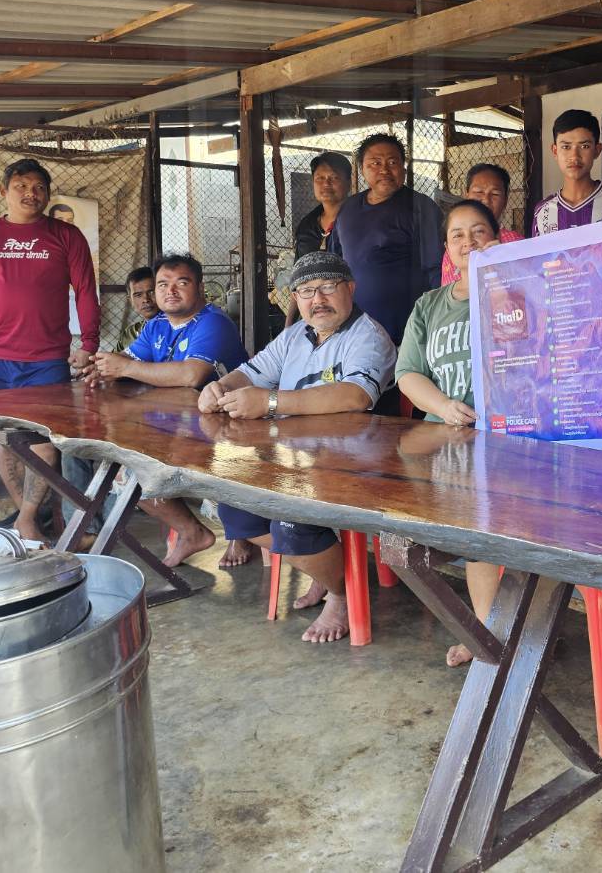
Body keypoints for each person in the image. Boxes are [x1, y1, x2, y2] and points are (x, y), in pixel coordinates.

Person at [198, 250, 397, 643]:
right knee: (235, 508)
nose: (317, 299)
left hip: (355, 464)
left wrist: (270, 402)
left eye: (327, 287)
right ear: (295, 298)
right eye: (306, 291)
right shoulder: (294, 336)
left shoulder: (368, 336)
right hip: (295, 461)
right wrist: (218, 388)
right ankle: (320, 567)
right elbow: (251, 373)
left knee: (292, 520)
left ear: (350, 288)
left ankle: (341, 593)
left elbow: (356, 396)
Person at [0, 158, 100, 543]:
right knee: (6, 439)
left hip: (47, 359)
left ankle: (27, 518)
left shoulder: (67, 236)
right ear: (4, 191)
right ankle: (27, 521)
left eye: (39, 188)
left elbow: (85, 291)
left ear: (47, 194)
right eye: (21, 186)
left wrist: (89, 343)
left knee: (43, 443)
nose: (31, 194)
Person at [86, 253, 249, 567]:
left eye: (181, 283)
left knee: (202, 476)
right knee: (130, 473)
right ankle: (191, 532)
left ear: (199, 287)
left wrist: (125, 368)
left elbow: (192, 375)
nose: (170, 291)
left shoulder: (213, 322)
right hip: (177, 426)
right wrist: (102, 367)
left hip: (226, 429)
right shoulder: (157, 325)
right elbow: (129, 360)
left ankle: (239, 532)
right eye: (162, 284)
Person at [397, 200, 504, 666]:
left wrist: (503, 278)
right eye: (458, 234)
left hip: (509, 442)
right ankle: (487, 632)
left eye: (479, 231)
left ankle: (506, 633)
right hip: (447, 444)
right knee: (462, 540)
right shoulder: (430, 305)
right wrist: (442, 407)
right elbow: (408, 373)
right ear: (447, 247)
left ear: (496, 237)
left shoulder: (518, 288)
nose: (469, 242)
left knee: (494, 533)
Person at [332, 133, 443, 342]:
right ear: (362, 169)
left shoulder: (420, 207)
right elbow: (335, 262)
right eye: (375, 163)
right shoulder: (348, 208)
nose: (384, 170)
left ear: (404, 168)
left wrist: (437, 322)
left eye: (392, 162)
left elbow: (437, 269)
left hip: (407, 332)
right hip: (354, 329)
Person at [530, 109, 602, 234]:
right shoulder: (542, 211)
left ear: (597, 150)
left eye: (584, 146)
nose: (574, 156)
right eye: (566, 147)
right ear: (555, 151)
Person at [286, 152, 353, 326]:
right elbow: (299, 279)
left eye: (334, 178)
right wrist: (289, 325)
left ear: (349, 183)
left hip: (353, 314)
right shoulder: (306, 227)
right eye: (319, 178)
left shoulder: (360, 220)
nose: (326, 184)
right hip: (315, 315)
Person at [441, 163, 522, 285]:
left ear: (505, 201)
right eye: (479, 192)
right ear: (466, 195)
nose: (486, 200)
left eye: (495, 194)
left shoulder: (517, 243)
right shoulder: (455, 248)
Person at [114, 266, 158, 352]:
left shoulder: (175, 328)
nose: (146, 300)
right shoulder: (130, 333)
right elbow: (113, 358)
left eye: (152, 292)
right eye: (138, 295)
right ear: (130, 300)